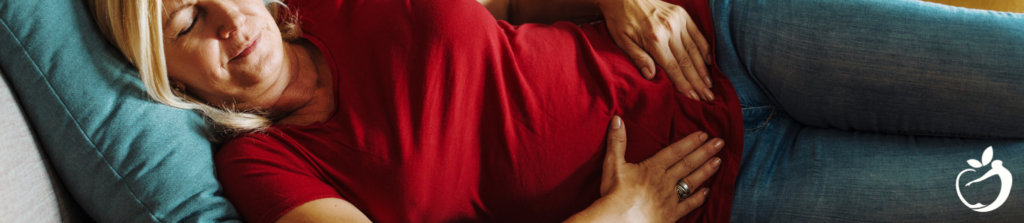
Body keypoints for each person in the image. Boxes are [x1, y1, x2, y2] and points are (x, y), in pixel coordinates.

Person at [87, 0, 743, 222]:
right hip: (720, 194)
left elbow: (508, 6)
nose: (230, 18)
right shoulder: (261, 166)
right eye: (187, 20)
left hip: (716, 38)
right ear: (162, 73)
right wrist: (621, 216)